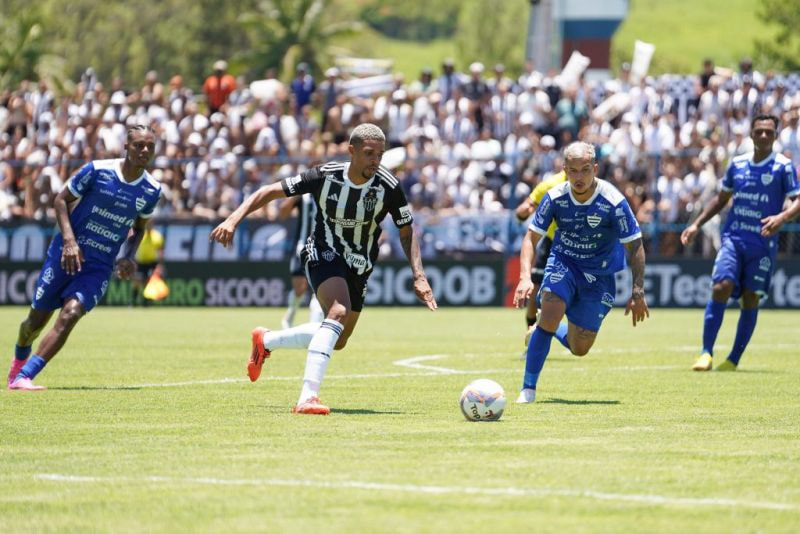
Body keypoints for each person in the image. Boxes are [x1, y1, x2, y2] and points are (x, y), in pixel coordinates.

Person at [210, 123, 437, 414]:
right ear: (351, 151)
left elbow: (407, 230)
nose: (375, 161)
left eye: (379, 155)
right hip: (322, 250)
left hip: (360, 264)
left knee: (339, 339)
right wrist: (233, 219)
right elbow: (269, 191)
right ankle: (307, 397)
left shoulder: (388, 186)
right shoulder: (324, 175)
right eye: (369, 154)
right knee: (338, 311)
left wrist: (419, 275)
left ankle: (266, 340)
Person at [7, 125, 161, 390]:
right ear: (126, 147)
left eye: (149, 146)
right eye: (138, 145)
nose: (144, 150)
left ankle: (25, 376)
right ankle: (18, 361)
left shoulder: (151, 189)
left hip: (99, 266)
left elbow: (140, 227)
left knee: (71, 314)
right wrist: (69, 241)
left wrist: (128, 256)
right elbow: (60, 200)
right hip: (65, 255)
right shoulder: (97, 170)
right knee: (33, 323)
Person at [513, 141, 649, 404]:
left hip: (599, 276)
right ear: (564, 169)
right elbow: (531, 238)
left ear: (595, 169)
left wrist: (638, 290)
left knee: (580, 347)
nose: (579, 177)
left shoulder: (613, 201)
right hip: (565, 262)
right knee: (551, 307)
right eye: (573, 171)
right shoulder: (554, 197)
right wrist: (524, 277)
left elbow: (635, 245)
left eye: (585, 170)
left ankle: (545, 327)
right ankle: (528, 390)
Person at [681, 114, 800, 371]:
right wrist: (696, 224)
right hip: (734, 239)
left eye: (769, 132)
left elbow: (797, 200)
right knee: (721, 286)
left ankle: (733, 359)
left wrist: (782, 217)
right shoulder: (738, 164)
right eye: (759, 131)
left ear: (776, 136)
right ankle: (705, 353)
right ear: (751, 134)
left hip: (763, 246)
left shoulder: (783, 167)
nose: (764, 136)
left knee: (750, 298)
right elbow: (721, 199)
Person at [514, 170, 566, 348]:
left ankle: (553, 327)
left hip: (579, 244)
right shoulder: (550, 185)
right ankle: (532, 340)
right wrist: (522, 212)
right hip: (552, 241)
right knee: (535, 289)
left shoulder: (592, 185)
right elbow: (527, 206)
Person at [278, 193, 324, 328]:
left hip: (323, 248)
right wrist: (293, 197)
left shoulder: (330, 190)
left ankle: (314, 324)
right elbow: (283, 213)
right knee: (299, 289)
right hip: (301, 247)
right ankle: (290, 315)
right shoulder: (304, 196)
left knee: (319, 289)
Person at [131, 220, 165, 306]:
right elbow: (134, 248)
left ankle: (146, 302)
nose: (149, 226)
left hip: (152, 262)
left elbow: (161, 251)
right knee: (137, 282)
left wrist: (160, 265)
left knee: (148, 282)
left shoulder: (157, 236)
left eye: (150, 224)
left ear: (153, 225)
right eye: (147, 224)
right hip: (140, 262)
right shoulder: (141, 234)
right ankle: (133, 301)